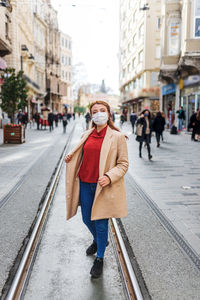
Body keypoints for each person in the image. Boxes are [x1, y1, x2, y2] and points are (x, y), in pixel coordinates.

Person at [65, 100, 129, 278]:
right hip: (85, 183)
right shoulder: (86, 134)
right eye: (95, 111)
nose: (99, 113)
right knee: (86, 219)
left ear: (108, 114)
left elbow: (123, 164)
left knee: (101, 224)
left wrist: (109, 176)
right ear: (91, 115)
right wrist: (72, 157)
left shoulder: (117, 137)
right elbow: (83, 154)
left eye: (102, 110)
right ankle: (101, 241)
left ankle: (99, 258)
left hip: (103, 187)